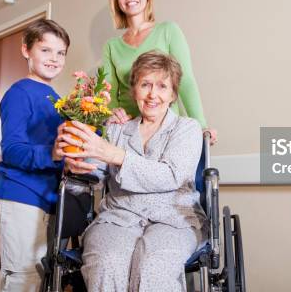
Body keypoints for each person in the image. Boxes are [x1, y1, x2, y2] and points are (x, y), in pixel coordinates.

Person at [58, 51, 207, 292]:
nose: (152, 94)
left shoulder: (187, 129)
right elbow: (92, 177)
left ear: (172, 94)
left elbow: (171, 175)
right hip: (118, 218)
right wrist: (76, 167)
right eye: (145, 84)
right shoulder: (117, 130)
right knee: (106, 263)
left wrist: (116, 155)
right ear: (134, 90)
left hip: (173, 220)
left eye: (162, 86)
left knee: (154, 265)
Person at [0, 19, 69, 292]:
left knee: (40, 274)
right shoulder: (19, 93)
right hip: (20, 194)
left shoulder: (54, 96)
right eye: (46, 50)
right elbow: (11, 149)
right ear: (26, 50)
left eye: (60, 53)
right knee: (23, 275)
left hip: (47, 197)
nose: (54, 58)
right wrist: (51, 152)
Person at [103, 0, 218, 144]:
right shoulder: (111, 46)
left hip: (166, 129)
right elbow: (109, 92)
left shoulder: (168, 30)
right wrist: (113, 113)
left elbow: (185, 80)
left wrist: (201, 125)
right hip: (129, 131)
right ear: (117, 1)